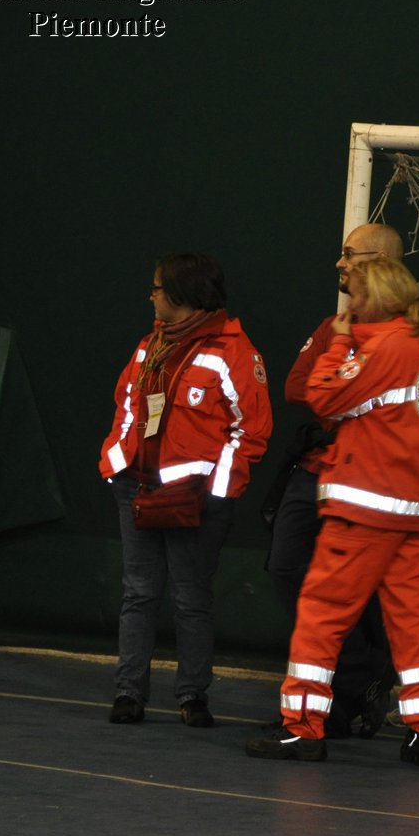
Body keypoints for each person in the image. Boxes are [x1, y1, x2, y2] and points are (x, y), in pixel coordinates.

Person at [247, 257, 419, 766]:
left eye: (356, 296)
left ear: (376, 299)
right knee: (413, 624)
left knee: (321, 614)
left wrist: (341, 341)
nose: (349, 305)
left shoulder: (383, 348)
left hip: (368, 508)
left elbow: (320, 395)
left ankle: (303, 727)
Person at [98, 253, 273, 726]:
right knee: (138, 594)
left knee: (191, 598)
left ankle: (192, 696)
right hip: (136, 490)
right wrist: (116, 463)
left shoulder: (233, 352)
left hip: (196, 504)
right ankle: (128, 692)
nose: (150, 294)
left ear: (182, 293)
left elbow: (251, 430)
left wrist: (214, 493)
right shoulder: (149, 345)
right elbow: (127, 405)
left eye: (157, 287)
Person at [260, 224, 403, 739]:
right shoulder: (332, 325)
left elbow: (381, 407)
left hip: (372, 485)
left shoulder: (408, 336)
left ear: (379, 261)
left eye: (348, 256)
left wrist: (342, 387)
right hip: (314, 476)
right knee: (286, 570)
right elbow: (299, 388)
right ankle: (345, 683)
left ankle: (335, 704)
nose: (339, 265)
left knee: (361, 595)